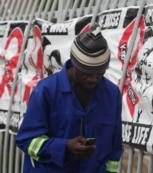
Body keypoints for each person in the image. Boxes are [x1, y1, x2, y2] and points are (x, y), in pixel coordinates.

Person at [16, 24, 123, 173]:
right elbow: (26, 141)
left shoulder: (112, 95)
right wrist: (64, 146)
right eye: (87, 72)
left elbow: (114, 151)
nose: (93, 79)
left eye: (99, 74)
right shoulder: (46, 91)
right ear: (74, 64)